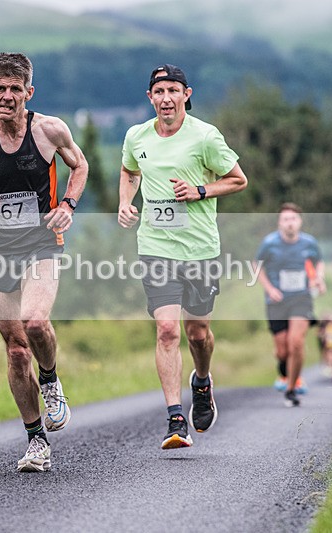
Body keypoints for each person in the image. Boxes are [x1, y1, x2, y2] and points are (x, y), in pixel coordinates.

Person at [0, 52, 88, 472]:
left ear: (29, 93)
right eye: (0, 88)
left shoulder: (50, 130)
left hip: (42, 242)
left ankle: (50, 379)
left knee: (35, 322)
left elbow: (80, 164)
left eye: (16, 89)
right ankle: (36, 440)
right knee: (16, 351)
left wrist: (68, 204)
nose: (7, 96)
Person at [118, 64, 247, 448]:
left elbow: (238, 179)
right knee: (168, 329)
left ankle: (202, 381)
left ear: (186, 95)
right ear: (150, 98)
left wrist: (200, 191)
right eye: (159, 92)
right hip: (156, 247)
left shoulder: (206, 136)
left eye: (174, 90)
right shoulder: (135, 135)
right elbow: (129, 171)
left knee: (198, 333)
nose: (166, 98)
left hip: (199, 250)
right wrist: (125, 202)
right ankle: (176, 418)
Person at [254, 203, 326, 407]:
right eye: (285, 219)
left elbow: (318, 261)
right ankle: (285, 371)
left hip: (301, 298)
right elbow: (256, 266)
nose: (290, 223)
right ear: (280, 223)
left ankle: (292, 388)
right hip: (276, 301)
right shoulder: (269, 243)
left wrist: (319, 278)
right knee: (282, 351)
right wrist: (269, 289)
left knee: (296, 342)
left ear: (300, 222)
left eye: (293, 219)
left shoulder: (309, 243)